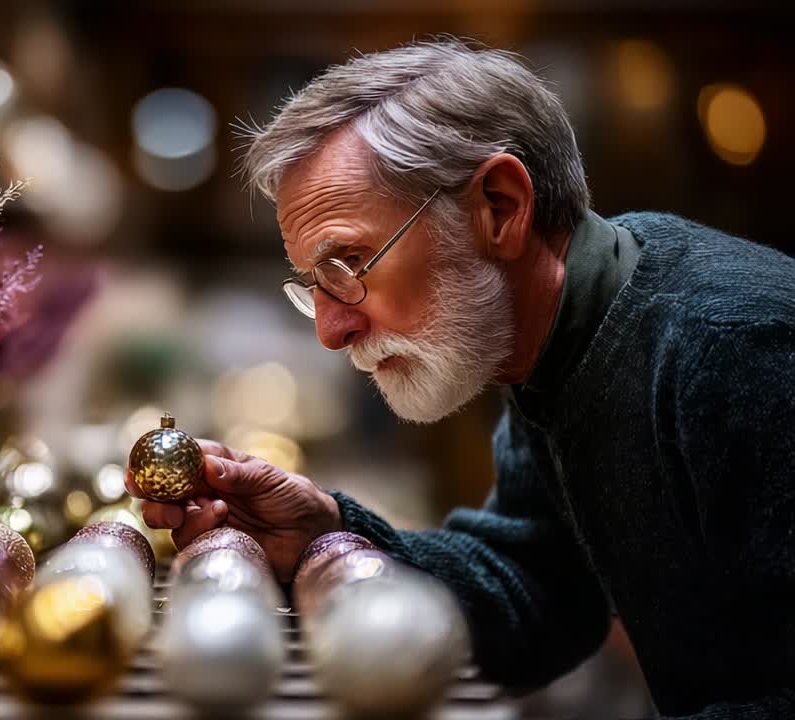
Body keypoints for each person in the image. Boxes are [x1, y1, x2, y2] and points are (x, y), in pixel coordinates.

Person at [127, 39, 795, 718]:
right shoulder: (555, 336)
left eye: (350, 266)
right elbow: (537, 596)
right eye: (314, 288)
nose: (331, 332)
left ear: (500, 207)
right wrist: (326, 534)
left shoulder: (737, 347)